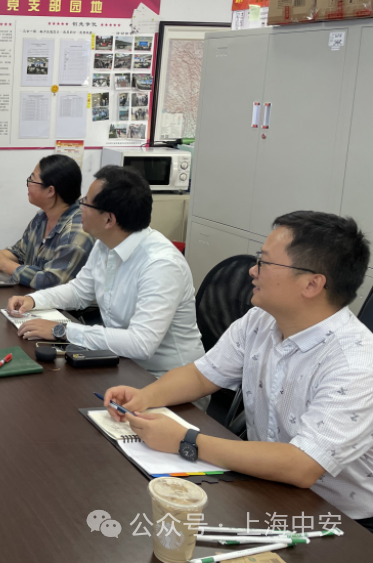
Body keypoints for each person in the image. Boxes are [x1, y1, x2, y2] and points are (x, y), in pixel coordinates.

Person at [101, 211, 373, 533]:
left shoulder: (356, 362)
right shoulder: (260, 321)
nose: (252, 270)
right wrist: (145, 397)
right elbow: (201, 375)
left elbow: (303, 465)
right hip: (265, 487)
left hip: (341, 521)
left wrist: (186, 440)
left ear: (312, 284)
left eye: (265, 262)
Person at [7, 165, 204, 377]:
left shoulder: (161, 265)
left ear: (109, 219)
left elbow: (141, 344)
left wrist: (62, 330)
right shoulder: (106, 243)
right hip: (122, 363)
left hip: (166, 378)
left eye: (86, 202)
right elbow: (79, 291)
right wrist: (34, 300)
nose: (79, 207)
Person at [0, 154, 93, 289]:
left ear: (50, 191)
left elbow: (52, 281)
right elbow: (19, 252)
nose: (28, 184)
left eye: (32, 180)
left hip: (59, 303)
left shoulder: (77, 231)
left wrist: (4, 264)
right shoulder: (42, 217)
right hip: (32, 297)